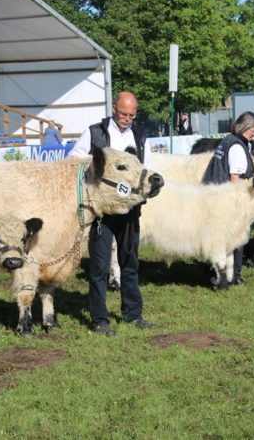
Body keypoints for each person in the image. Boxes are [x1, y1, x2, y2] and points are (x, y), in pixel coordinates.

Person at [68, 91, 155, 337]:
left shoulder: (140, 136)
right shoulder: (95, 132)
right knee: (99, 266)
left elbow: (146, 168)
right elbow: (74, 160)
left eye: (131, 115)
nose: (127, 118)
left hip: (129, 209)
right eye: (123, 113)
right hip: (103, 211)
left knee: (130, 263)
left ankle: (133, 313)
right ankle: (99, 319)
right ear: (114, 108)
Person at [202, 111, 254, 286]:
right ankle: (233, 275)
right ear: (246, 127)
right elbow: (235, 177)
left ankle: (216, 272)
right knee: (235, 237)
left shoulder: (227, 141)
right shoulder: (237, 147)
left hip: (215, 193)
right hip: (229, 198)